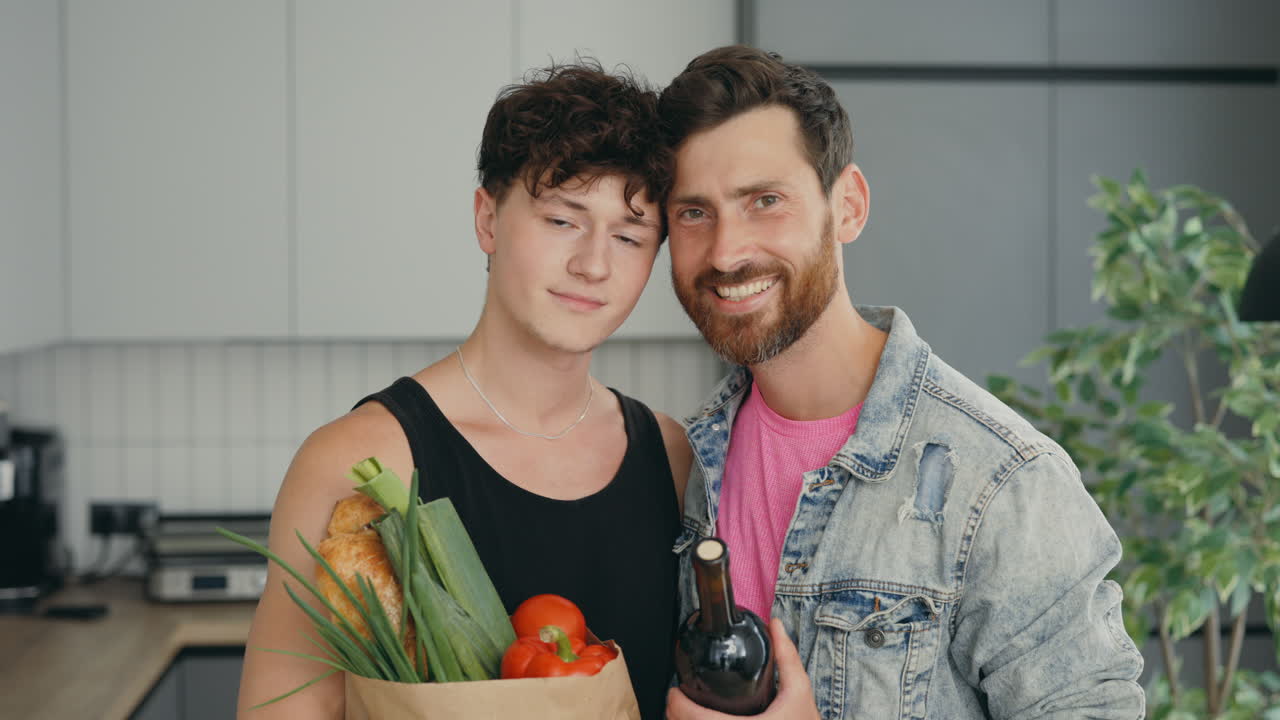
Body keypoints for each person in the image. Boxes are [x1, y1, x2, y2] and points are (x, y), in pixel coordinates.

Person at [659, 45, 1145, 719]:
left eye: (765, 200)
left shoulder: (1002, 481)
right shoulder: (686, 464)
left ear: (849, 206)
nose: (726, 250)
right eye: (693, 212)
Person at [238, 61, 691, 720]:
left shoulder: (671, 455)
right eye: (563, 221)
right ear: (487, 219)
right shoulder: (359, 459)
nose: (594, 264)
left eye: (629, 236)